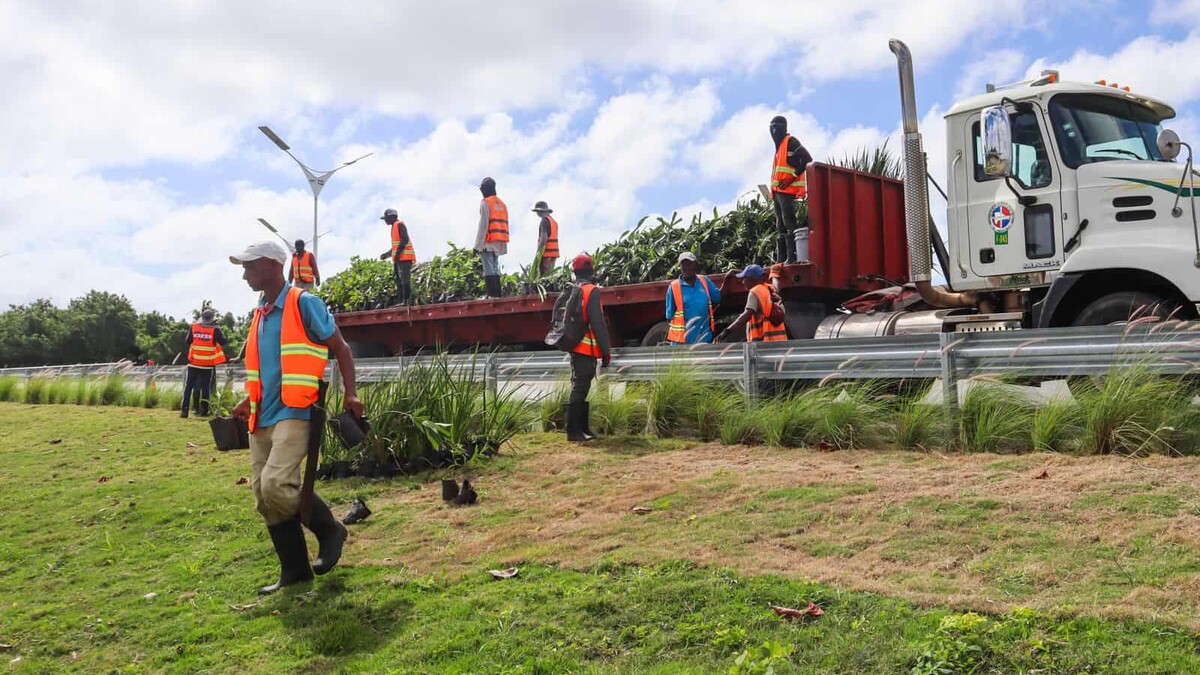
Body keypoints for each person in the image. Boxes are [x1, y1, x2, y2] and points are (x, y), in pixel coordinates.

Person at [228, 241, 365, 595]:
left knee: (276, 485)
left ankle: (329, 529)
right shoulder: (260, 314)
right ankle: (295, 571)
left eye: (250, 267)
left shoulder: (304, 303)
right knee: (263, 496)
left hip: (296, 410)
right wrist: (248, 399)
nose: (244, 275)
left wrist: (350, 393)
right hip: (262, 414)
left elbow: (341, 348)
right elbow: (269, 367)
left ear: (274, 266)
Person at [565, 254, 611, 442]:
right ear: (591, 271)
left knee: (580, 385)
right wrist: (606, 351)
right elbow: (598, 323)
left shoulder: (573, 289)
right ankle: (574, 431)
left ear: (575, 272)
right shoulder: (591, 291)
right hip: (586, 348)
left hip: (574, 345)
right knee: (581, 386)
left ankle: (582, 429)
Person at [769, 116, 813, 264]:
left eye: (776, 126)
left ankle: (793, 256)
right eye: (771, 127)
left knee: (789, 221)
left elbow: (807, 159)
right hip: (777, 191)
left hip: (786, 190)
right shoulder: (779, 148)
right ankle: (782, 258)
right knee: (780, 224)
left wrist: (791, 177)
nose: (773, 130)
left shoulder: (791, 142)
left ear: (784, 127)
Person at [715, 264, 788, 343]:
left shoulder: (755, 291)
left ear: (751, 279)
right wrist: (774, 272)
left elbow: (747, 315)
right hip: (779, 340)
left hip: (765, 342)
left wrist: (727, 331)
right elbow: (776, 283)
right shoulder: (770, 288)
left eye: (744, 279)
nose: (743, 282)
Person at [180, 308, 229, 418]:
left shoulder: (194, 327)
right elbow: (223, 341)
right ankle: (204, 411)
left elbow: (188, 341)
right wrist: (218, 329)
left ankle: (184, 411)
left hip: (194, 363)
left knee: (188, 387)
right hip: (207, 365)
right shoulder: (215, 330)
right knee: (205, 388)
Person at [664, 252, 720, 345]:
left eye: (689, 264)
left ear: (696, 265)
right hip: (681, 343)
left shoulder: (704, 281)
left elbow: (717, 298)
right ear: (680, 267)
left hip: (704, 339)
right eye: (683, 265)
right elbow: (669, 317)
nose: (686, 267)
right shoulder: (674, 287)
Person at [474, 177, 508, 298]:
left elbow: (483, 225)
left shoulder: (486, 202)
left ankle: (492, 295)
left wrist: (477, 246)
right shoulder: (502, 204)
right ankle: (497, 294)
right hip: (499, 239)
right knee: (495, 267)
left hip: (488, 240)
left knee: (488, 267)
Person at [378, 209, 416, 305]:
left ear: (392, 217)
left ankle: (407, 301)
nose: (385, 220)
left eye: (386, 218)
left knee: (405, 281)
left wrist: (398, 254)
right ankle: (402, 301)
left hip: (405, 259)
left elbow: (404, 239)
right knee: (399, 282)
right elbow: (395, 247)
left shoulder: (399, 224)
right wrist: (386, 255)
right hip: (398, 260)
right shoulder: (393, 227)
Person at [532, 201, 559, 277]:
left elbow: (544, 239)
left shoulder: (544, 221)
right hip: (553, 255)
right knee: (550, 276)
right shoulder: (553, 221)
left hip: (546, 255)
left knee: (544, 277)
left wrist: (538, 253)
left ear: (540, 211)